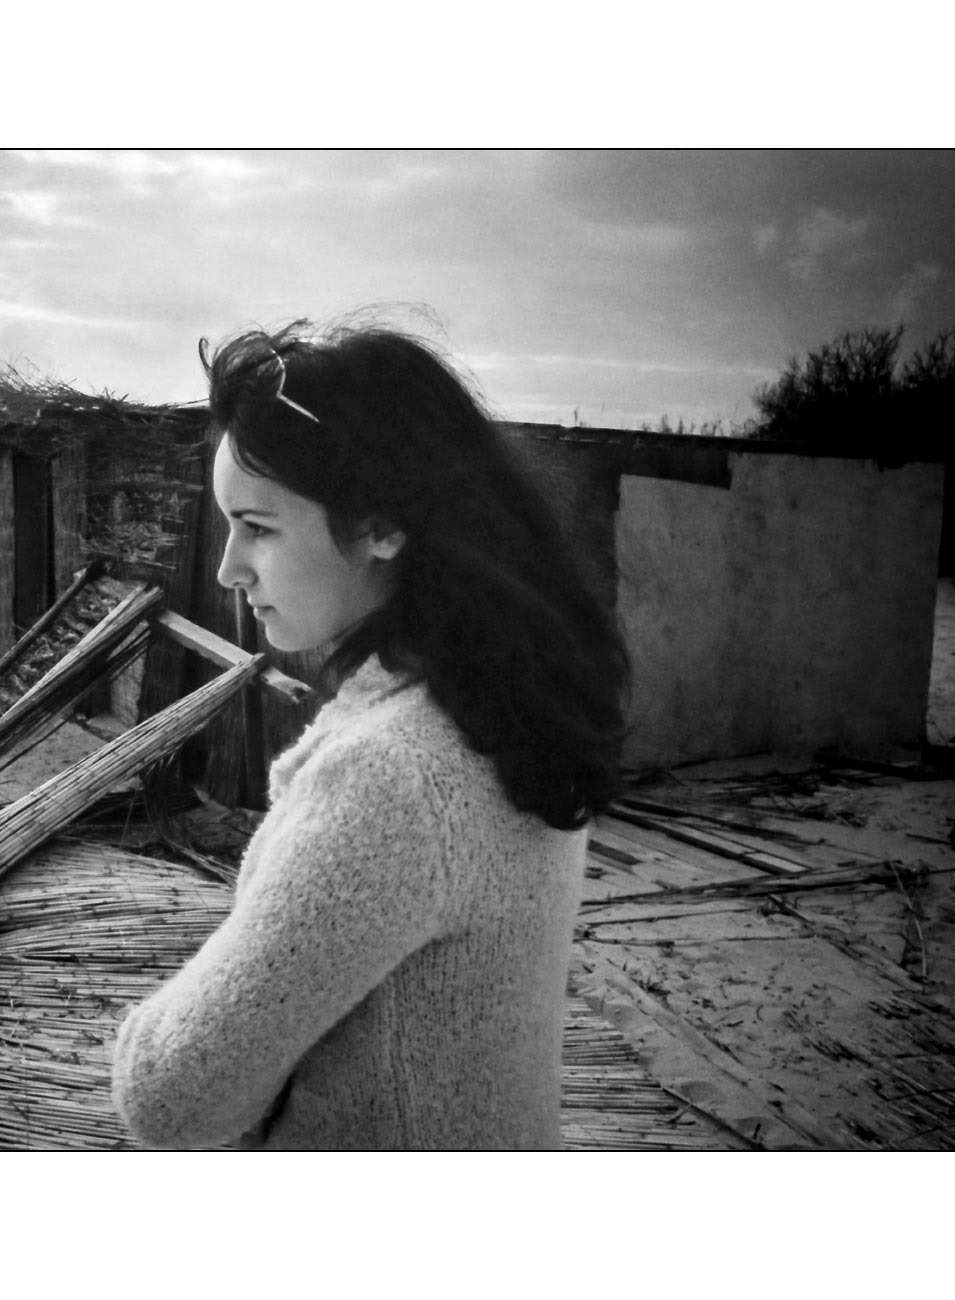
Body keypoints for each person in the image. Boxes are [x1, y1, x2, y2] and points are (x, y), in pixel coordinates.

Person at [110, 317, 630, 1150]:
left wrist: (148, 1028)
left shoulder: (393, 777)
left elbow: (170, 1098)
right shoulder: (500, 703)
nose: (228, 568)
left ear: (381, 525)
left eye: (259, 526)